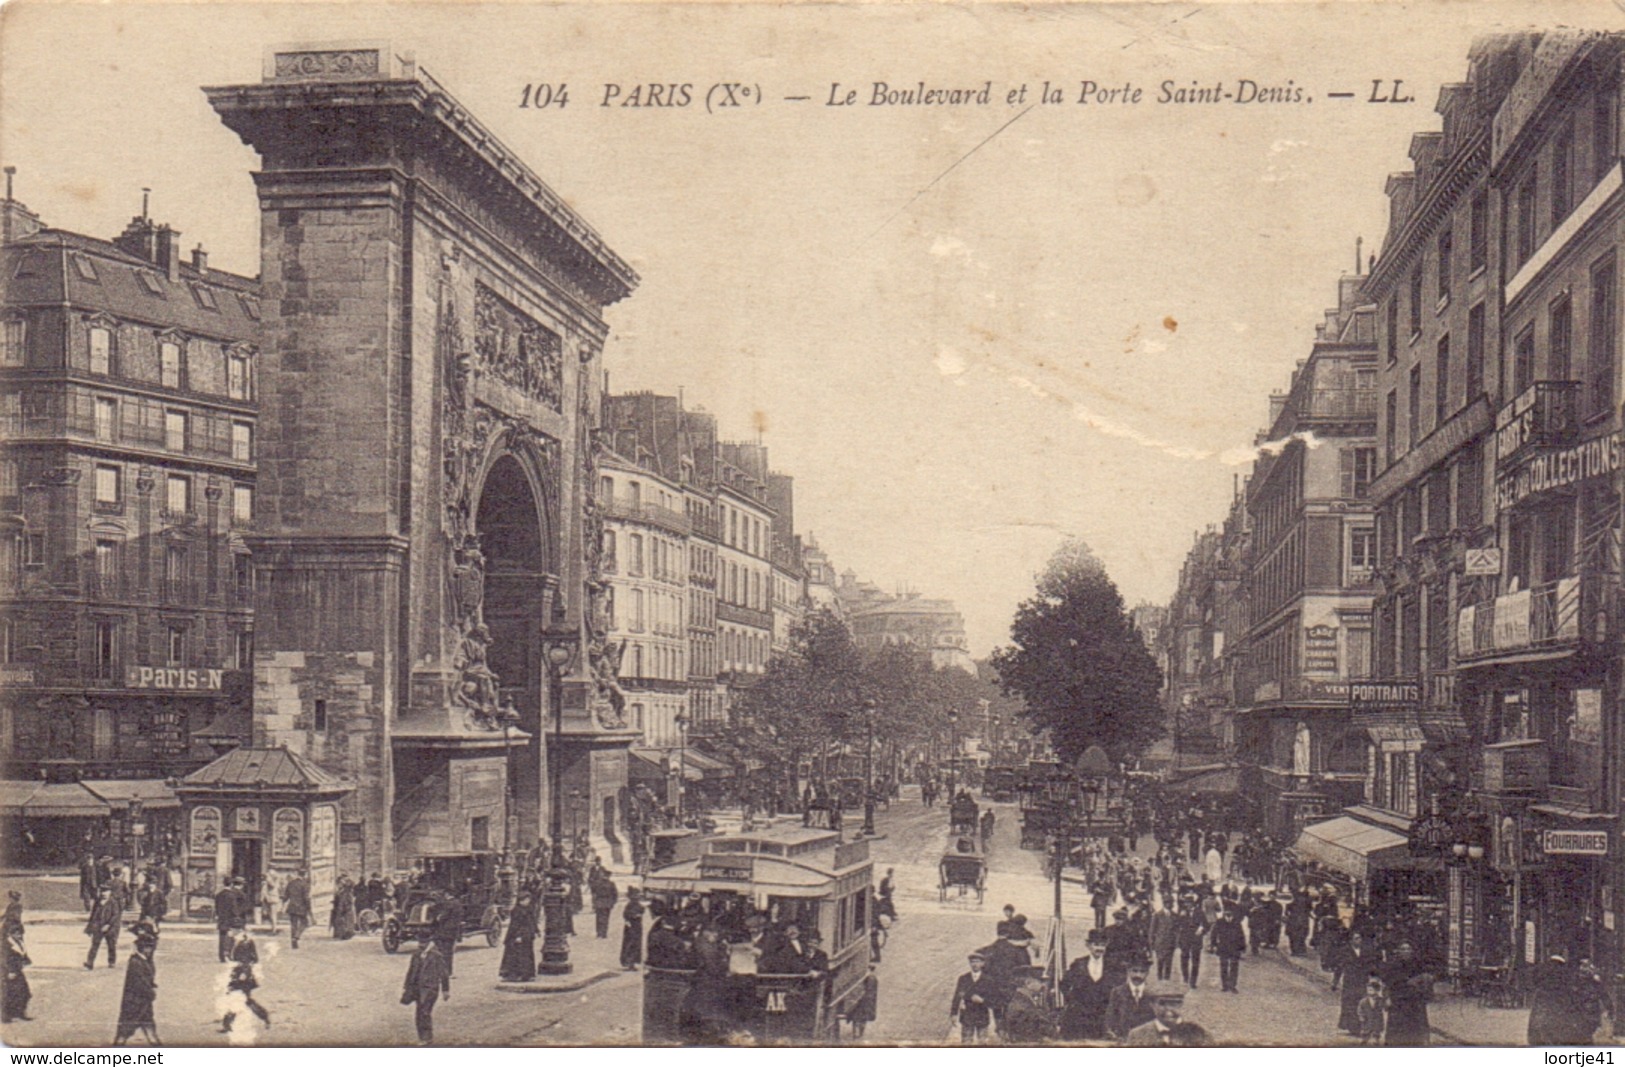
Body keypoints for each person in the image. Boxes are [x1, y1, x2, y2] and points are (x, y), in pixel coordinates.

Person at [1060, 928, 1117, 1040]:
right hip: (1081, 1015)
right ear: (1088, 945)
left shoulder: (1112, 965)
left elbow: (1119, 986)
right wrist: (1073, 1001)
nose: (1099, 948)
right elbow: (1064, 984)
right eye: (1096, 944)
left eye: (1103, 945)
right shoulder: (1078, 964)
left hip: (1102, 1014)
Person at [1379, 940, 1432, 1046]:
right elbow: (1387, 983)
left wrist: (1420, 982)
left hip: (1414, 1000)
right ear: (1398, 951)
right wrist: (1387, 998)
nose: (1406, 951)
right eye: (1403, 949)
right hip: (1398, 1000)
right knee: (1396, 1029)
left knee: (1416, 1028)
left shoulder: (1418, 963)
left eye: (1408, 949)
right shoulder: (1392, 965)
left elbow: (1427, 978)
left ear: (1412, 951)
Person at [401, 936, 451, 1045]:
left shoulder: (436, 956)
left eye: (423, 942)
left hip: (430, 988)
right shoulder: (416, 955)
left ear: (429, 943)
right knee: (419, 1012)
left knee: (425, 1011)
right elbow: (410, 971)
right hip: (417, 988)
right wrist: (407, 987)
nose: (420, 945)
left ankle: (427, 1037)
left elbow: (444, 974)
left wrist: (445, 990)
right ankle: (422, 1036)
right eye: (419, 942)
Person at [113, 931, 160, 1046]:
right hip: (134, 1003)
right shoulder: (135, 962)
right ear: (141, 948)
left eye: (151, 947)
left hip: (143, 1003)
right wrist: (150, 992)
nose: (150, 950)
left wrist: (152, 985)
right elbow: (139, 982)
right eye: (148, 947)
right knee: (125, 1030)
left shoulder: (144, 961)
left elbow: (147, 978)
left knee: (149, 1028)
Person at [220, 928, 271, 1034]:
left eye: (231, 930)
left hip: (242, 975)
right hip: (240, 973)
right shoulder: (240, 940)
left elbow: (248, 960)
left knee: (238, 998)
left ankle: (227, 1023)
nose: (229, 932)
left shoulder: (244, 942)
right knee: (244, 1000)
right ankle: (264, 1017)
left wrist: (243, 973)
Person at [1104, 954, 1157, 1041]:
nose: (1138, 975)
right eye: (1134, 971)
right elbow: (1109, 1019)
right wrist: (1114, 1036)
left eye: (1142, 971)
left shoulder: (1152, 994)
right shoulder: (1117, 992)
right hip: (1123, 1040)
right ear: (1128, 971)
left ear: (1147, 973)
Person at [1002, 965, 1058, 1044]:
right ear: (1028, 983)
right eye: (1040, 981)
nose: (1043, 985)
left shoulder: (1024, 1000)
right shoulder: (1021, 1005)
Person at [1123, 981, 1189, 1046]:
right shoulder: (1137, 1035)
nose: (1169, 1009)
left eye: (1174, 1004)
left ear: (1182, 1005)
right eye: (1162, 1004)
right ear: (1152, 1005)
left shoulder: (1194, 1033)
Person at [950, 951, 994, 1044]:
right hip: (967, 1015)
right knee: (966, 1041)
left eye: (977, 961)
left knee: (982, 1042)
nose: (975, 964)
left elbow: (993, 999)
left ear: (982, 963)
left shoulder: (988, 980)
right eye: (972, 962)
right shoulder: (963, 978)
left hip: (982, 1015)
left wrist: (982, 1001)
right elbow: (957, 997)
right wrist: (953, 1014)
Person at [499, 890, 538, 982]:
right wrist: (518, 936)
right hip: (519, 936)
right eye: (526, 899)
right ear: (521, 900)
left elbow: (532, 921)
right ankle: (514, 974)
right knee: (516, 955)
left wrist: (535, 930)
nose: (528, 901)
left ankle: (526, 974)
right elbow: (515, 925)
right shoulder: (517, 911)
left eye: (528, 899)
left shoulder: (528, 909)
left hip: (526, 936)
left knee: (525, 955)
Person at [1209, 903, 1246, 993]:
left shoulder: (1237, 923)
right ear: (1224, 912)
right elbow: (1214, 934)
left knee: (1234, 966)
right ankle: (1225, 985)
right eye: (1226, 911)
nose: (1228, 913)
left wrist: (1242, 947)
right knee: (1223, 966)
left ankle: (1233, 985)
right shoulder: (1219, 922)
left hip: (1234, 947)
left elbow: (1241, 935)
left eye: (1230, 912)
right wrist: (1213, 945)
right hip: (1223, 947)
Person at [2, 916, 31, 1023]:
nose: (20, 935)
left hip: (18, 970)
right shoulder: (7, 945)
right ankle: (6, 1016)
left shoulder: (19, 942)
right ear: (10, 934)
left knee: (24, 992)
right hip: (10, 971)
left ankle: (20, 1013)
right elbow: (5, 959)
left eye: (21, 933)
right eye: (17, 933)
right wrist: (10, 971)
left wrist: (26, 961)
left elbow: (24, 955)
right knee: (9, 993)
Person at [85, 885, 122, 970]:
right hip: (98, 927)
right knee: (94, 945)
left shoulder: (113, 902)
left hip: (110, 928)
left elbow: (116, 915)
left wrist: (108, 925)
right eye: (102, 891)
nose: (104, 894)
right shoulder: (98, 902)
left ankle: (111, 961)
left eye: (106, 892)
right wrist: (89, 927)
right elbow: (93, 915)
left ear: (110, 893)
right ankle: (89, 963)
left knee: (111, 945)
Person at [1174, 894, 1206, 989]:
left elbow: (1206, 924)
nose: (1188, 905)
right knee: (1184, 958)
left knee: (1195, 961)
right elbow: (1176, 925)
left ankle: (1193, 981)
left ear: (1193, 903)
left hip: (1196, 939)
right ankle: (1185, 977)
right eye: (1186, 903)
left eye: (1189, 903)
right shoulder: (1182, 912)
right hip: (1185, 939)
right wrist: (1180, 918)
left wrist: (1201, 930)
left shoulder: (1199, 912)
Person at [1148, 898, 1177, 981]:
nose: (1170, 905)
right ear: (1164, 904)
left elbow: (1177, 929)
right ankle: (1159, 976)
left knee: (1169, 960)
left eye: (1171, 903)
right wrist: (1151, 941)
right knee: (1160, 959)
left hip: (1171, 941)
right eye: (1168, 903)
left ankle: (1167, 977)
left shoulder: (1174, 915)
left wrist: (1176, 940)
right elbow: (1152, 929)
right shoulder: (1157, 915)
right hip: (1160, 941)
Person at [214, 878, 243, 962]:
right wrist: (237, 916)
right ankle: (228, 955)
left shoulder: (219, 894)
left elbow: (216, 907)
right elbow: (234, 908)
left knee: (222, 938)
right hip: (230, 919)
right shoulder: (232, 895)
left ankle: (221, 956)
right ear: (231, 885)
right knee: (230, 938)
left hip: (221, 919)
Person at [848, 963, 879, 1039]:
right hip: (860, 1000)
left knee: (861, 1017)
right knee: (858, 1016)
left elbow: (871, 992)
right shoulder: (868, 978)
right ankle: (857, 1032)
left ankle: (858, 1032)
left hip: (865, 1000)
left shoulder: (871, 978)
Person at [1356, 975, 1388, 1046]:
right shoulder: (1363, 1001)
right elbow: (1360, 1009)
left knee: (1376, 1031)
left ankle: (1375, 1040)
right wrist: (1361, 1016)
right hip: (1367, 1019)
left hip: (1377, 1020)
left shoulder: (1380, 1000)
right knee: (1365, 1031)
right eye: (1368, 990)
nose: (1369, 992)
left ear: (1377, 991)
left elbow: (1385, 1007)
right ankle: (1364, 1040)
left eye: (1371, 990)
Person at [283, 869, 311, 949]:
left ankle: (293, 942)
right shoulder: (305, 884)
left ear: (298, 874)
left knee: (293, 925)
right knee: (305, 923)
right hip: (301, 907)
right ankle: (296, 936)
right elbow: (306, 898)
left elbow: (285, 896)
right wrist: (308, 907)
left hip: (292, 906)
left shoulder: (291, 883)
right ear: (305, 874)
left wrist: (283, 902)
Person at [590, 865, 618, 940]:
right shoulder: (611, 884)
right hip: (606, 903)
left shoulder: (598, 883)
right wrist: (612, 903)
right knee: (605, 918)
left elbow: (593, 892)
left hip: (600, 902)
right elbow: (615, 894)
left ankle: (599, 933)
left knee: (599, 918)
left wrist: (594, 902)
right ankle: (603, 933)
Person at [620, 889, 645, 971]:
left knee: (633, 944)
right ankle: (630, 962)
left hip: (634, 926)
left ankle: (631, 962)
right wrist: (635, 916)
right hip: (632, 926)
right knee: (631, 944)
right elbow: (626, 915)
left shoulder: (636, 905)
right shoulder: (631, 905)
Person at [331, 875, 358, 941]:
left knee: (346, 921)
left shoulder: (346, 892)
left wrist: (342, 907)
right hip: (341, 907)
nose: (339, 885)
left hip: (346, 908)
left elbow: (344, 901)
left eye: (340, 883)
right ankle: (340, 933)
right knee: (341, 920)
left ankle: (347, 934)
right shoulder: (341, 891)